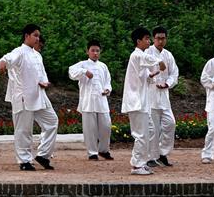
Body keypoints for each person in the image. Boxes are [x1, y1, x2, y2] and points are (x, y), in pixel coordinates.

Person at [0, 24, 59, 171]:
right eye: (35, 35)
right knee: (24, 130)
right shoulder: (20, 52)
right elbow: (8, 58)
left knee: (52, 122)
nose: (38, 38)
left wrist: (45, 82)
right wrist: (3, 62)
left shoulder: (37, 55)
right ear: (27, 36)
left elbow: (42, 74)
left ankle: (43, 155)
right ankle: (24, 161)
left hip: (39, 95)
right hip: (24, 97)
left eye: (38, 36)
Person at [121, 27, 166, 176]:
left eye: (149, 38)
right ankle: (137, 165)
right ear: (138, 41)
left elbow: (145, 78)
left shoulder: (142, 57)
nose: (149, 41)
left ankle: (142, 161)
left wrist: (152, 75)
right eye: (146, 39)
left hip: (143, 101)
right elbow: (147, 60)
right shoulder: (136, 55)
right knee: (141, 134)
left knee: (151, 131)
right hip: (136, 102)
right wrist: (159, 61)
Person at [68, 40, 113, 161]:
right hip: (88, 101)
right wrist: (84, 71)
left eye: (97, 51)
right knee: (90, 129)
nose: (95, 53)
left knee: (106, 126)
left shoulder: (103, 66)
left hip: (102, 100)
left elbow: (108, 81)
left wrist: (108, 89)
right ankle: (92, 152)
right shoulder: (82, 64)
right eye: (92, 50)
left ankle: (103, 150)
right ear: (87, 51)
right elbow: (71, 72)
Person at [145, 26, 178, 167]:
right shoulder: (147, 53)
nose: (160, 41)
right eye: (158, 38)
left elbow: (174, 74)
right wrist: (153, 79)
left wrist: (167, 84)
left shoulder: (168, 55)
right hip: (151, 95)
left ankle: (162, 153)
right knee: (153, 128)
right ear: (153, 39)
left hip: (164, 96)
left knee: (170, 124)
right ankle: (151, 157)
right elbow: (142, 72)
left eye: (163, 38)